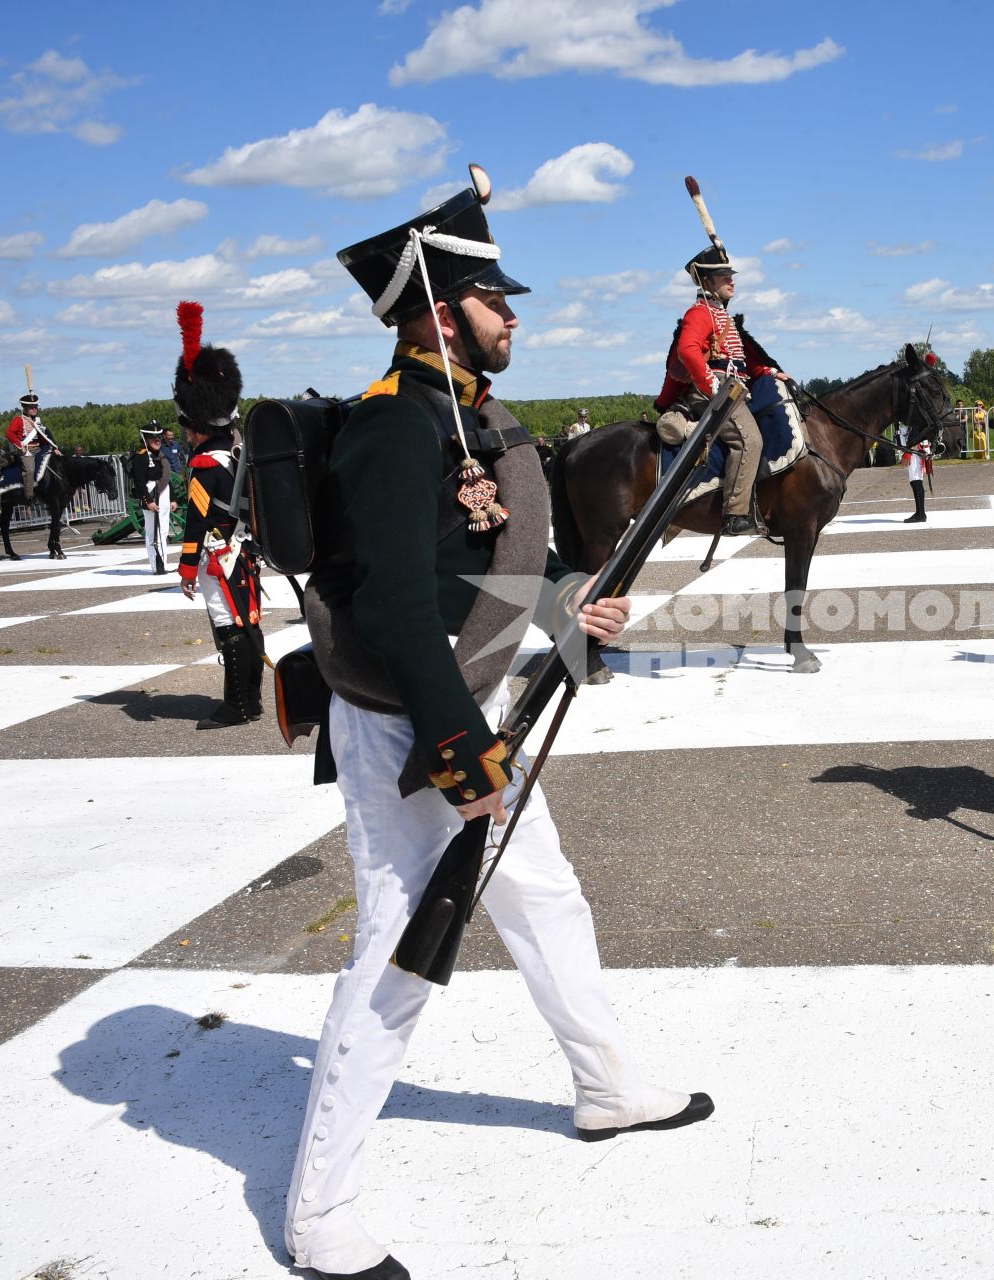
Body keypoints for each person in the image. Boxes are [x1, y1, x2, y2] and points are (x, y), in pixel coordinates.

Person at [288, 167, 712, 1280]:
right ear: (439, 312)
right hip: (411, 721)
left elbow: (491, 556)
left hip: (468, 704)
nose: (512, 314)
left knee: (544, 893)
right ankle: (320, 1214)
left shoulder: (472, 418)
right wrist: (455, 747)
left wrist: (575, 599)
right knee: (397, 948)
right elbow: (393, 606)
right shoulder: (393, 427)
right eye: (492, 299)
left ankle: (607, 1086)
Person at [652, 246, 787, 537]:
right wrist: (712, 385)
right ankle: (734, 514)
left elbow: (738, 359)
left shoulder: (719, 315)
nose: (731, 280)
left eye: (730, 274)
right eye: (723, 275)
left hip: (733, 388)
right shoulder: (700, 313)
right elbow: (688, 350)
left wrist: (769, 371)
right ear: (707, 282)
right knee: (749, 440)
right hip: (714, 390)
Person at [172, 306, 264, 729]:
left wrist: (187, 567)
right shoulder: (235, 452)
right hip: (243, 552)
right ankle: (252, 701)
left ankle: (237, 706)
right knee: (248, 622)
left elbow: (196, 521)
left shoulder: (205, 464)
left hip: (218, 556)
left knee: (229, 627)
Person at [129, 422, 174, 574]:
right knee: (152, 533)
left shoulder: (161, 456)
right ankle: (156, 566)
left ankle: (163, 563)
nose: (157, 441)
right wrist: (148, 501)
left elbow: (166, 478)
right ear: (146, 440)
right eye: (153, 439)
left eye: (159, 438)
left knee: (163, 532)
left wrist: (173, 498)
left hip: (163, 494)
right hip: (151, 495)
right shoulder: (141, 457)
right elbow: (139, 483)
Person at [4, 390, 56, 501]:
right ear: (25, 408)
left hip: (39, 449)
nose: (34, 409)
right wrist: (20, 446)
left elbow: (43, 437)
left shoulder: (37, 421)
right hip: (26, 451)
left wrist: (54, 448)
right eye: (31, 407)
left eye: (35, 407)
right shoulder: (19, 420)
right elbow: (9, 434)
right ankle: (29, 496)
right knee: (30, 470)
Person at [903, 438, 933, 523]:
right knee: (916, 480)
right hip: (916, 448)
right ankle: (920, 513)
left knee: (915, 480)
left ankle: (920, 514)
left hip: (915, 449)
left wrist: (908, 451)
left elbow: (914, 434)